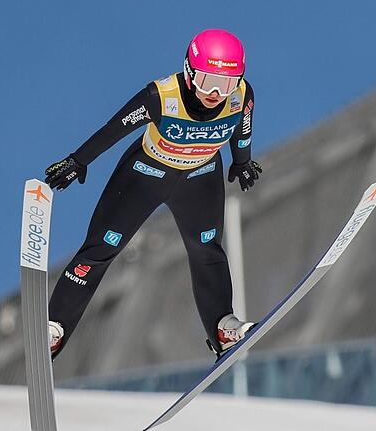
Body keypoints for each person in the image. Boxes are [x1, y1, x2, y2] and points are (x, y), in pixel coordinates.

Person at [44, 28, 263, 360]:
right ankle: (55, 327)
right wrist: (78, 161)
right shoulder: (161, 96)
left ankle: (222, 327)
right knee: (102, 248)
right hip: (146, 175)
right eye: (207, 80)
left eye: (226, 83)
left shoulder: (242, 96)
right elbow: (113, 129)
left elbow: (242, 129)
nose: (215, 93)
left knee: (207, 250)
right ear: (189, 72)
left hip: (199, 177)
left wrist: (242, 162)